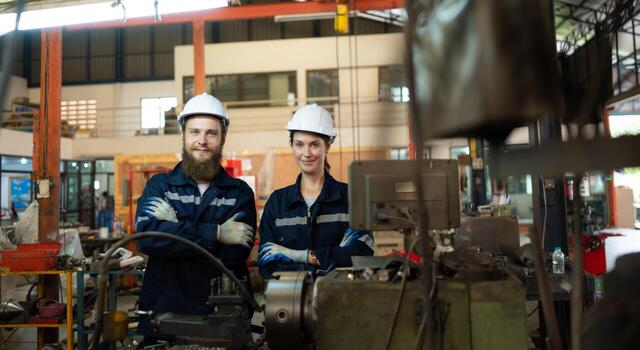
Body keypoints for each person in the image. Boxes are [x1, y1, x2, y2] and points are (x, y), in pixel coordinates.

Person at [134, 92, 256, 346]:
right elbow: (147, 240)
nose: (202, 141)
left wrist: (174, 227)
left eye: (211, 133)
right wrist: (217, 233)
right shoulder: (160, 186)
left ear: (222, 138)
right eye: (195, 132)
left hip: (221, 319)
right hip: (163, 319)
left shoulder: (238, 192)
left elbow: (235, 253)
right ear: (183, 134)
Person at [258, 104, 374, 279]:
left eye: (314, 145)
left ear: (327, 145)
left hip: (340, 299)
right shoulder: (277, 203)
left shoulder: (351, 199)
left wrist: (298, 255)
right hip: (290, 300)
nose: (306, 153)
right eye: (299, 145)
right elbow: (267, 262)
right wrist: (334, 257)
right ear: (291, 145)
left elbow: (362, 254)